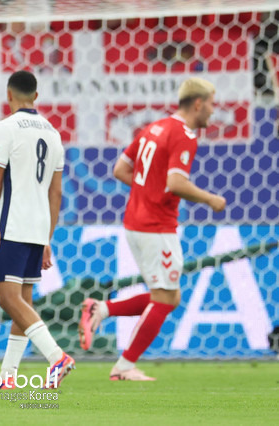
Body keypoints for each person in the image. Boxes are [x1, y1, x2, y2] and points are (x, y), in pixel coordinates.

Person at [79, 77, 227, 381]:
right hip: (156, 226)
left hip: (136, 220)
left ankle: (101, 309)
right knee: (164, 298)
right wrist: (210, 198)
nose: (213, 111)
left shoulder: (154, 127)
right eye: (211, 104)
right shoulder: (184, 134)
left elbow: (120, 169)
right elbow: (175, 183)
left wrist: (148, 190)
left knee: (169, 297)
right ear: (198, 103)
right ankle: (124, 366)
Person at [0, 70, 74, 389]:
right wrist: (47, 238)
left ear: (9, 96)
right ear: (36, 96)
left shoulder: (5, 128)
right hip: (37, 228)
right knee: (23, 300)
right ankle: (8, 375)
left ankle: (56, 356)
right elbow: (56, 193)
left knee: (8, 299)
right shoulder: (53, 133)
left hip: (11, 224)